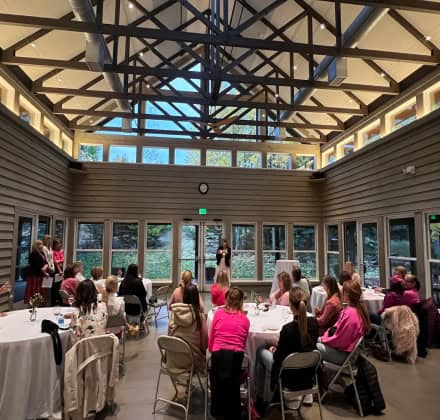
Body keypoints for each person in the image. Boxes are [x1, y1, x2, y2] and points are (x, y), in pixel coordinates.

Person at [255, 288, 318, 410]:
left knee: (260, 351)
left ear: (291, 306)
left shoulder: (288, 329)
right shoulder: (314, 323)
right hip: (308, 374)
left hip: (288, 375)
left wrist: (273, 350)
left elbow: (278, 358)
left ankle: (260, 398)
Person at [208, 287, 250, 420]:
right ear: (241, 302)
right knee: (235, 378)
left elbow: (211, 343)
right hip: (235, 360)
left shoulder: (218, 314)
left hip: (218, 358)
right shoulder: (245, 320)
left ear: (226, 300)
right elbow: (242, 346)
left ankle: (217, 409)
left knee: (217, 376)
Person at [317, 279, 370, 365]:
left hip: (345, 355)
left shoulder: (351, 315)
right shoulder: (354, 309)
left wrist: (325, 339)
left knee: (313, 347)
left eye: (343, 290)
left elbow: (340, 340)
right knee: (314, 340)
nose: (340, 291)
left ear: (347, 294)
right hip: (343, 349)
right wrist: (326, 337)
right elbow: (336, 329)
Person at [168, 284, 208, 391]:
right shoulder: (199, 317)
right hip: (191, 362)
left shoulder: (174, 315)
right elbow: (205, 344)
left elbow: (169, 337)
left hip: (171, 361)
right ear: (196, 297)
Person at [51, 238, 64, 306]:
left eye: (60, 243)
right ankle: (53, 302)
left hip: (60, 269)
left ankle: (59, 301)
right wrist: (59, 270)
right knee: (54, 287)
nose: (59, 245)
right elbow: (55, 262)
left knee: (60, 285)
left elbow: (62, 259)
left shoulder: (60, 252)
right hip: (56, 270)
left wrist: (58, 261)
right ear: (55, 244)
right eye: (58, 243)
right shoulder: (52, 252)